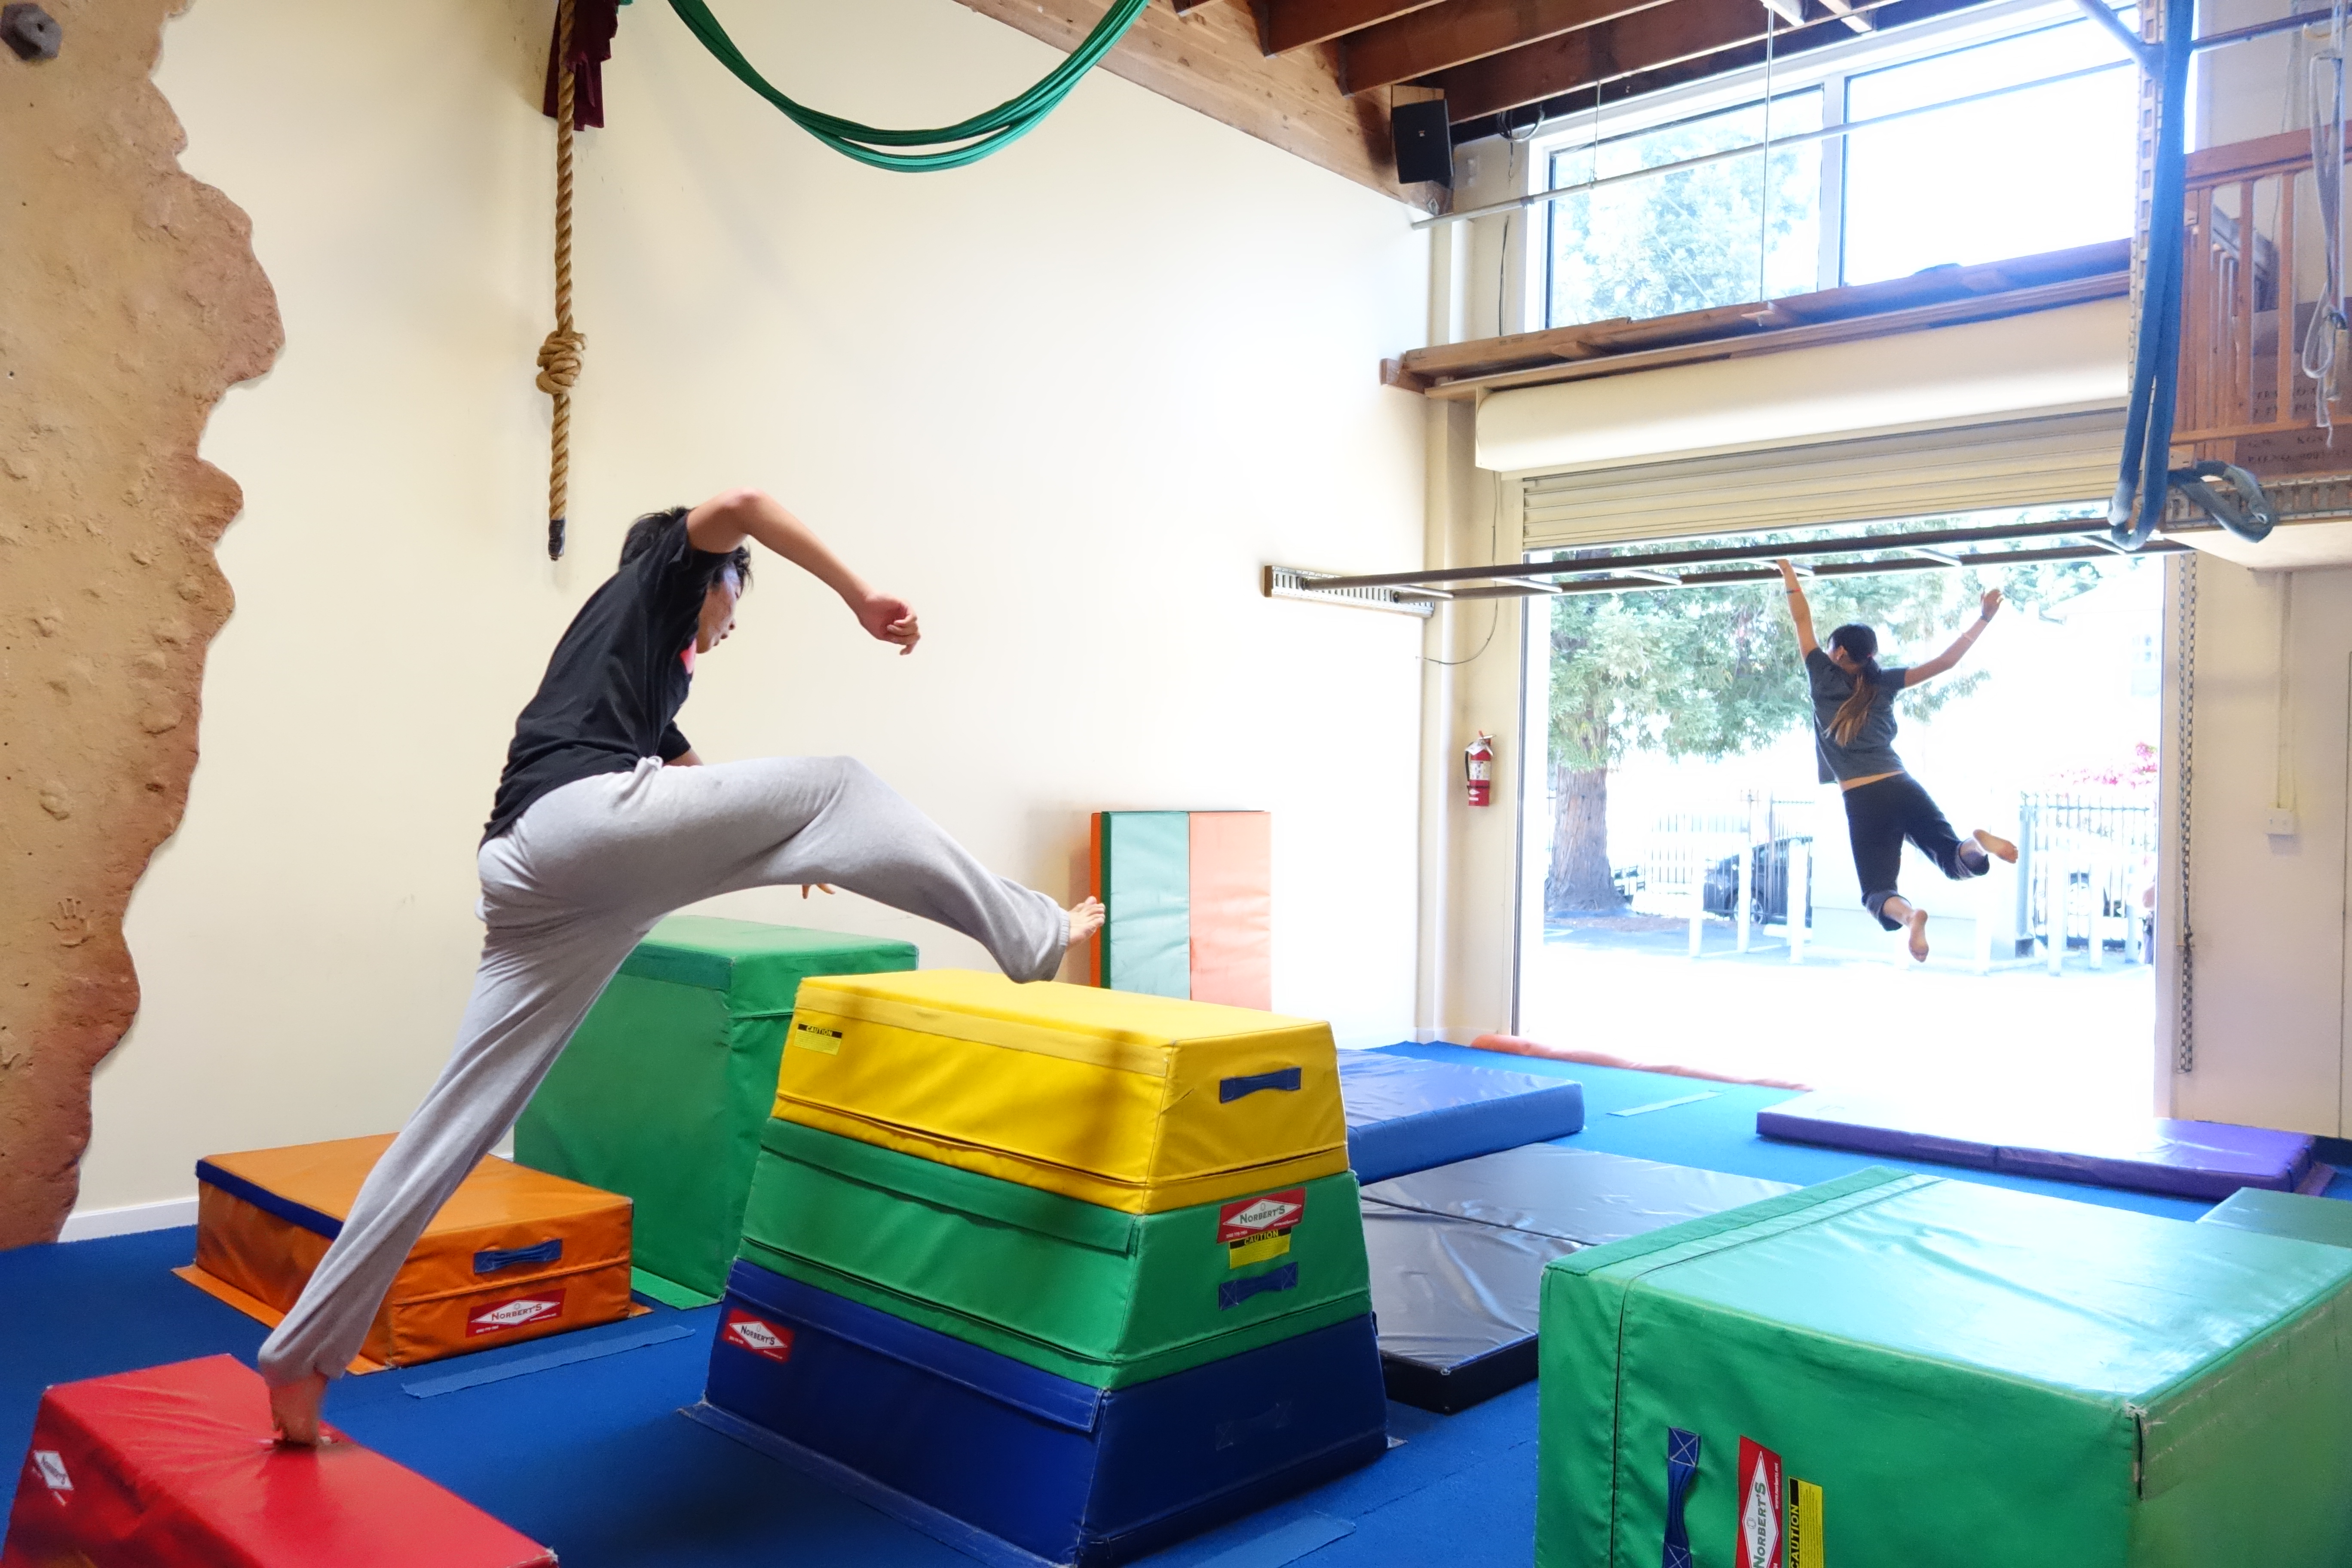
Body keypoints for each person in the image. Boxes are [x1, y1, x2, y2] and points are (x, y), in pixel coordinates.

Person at [262, 490, 1105, 1442]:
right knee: (842, 782)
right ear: (712, 576)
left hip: (527, 871)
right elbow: (744, 503)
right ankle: (1031, 931)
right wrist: (860, 597)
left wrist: (793, 844)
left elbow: (693, 778)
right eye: (737, 594)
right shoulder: (661, 574)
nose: (735, 619)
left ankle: (302, 1359)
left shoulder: (638, 664)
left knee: (461, 1117)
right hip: (582, 830)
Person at [1776, 559, 2016, 963]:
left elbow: (1802, 618)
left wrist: (1787, 570)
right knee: (1953, 858)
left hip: (1864, 799)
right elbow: (1946, 662)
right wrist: (1984, 618)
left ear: (1838, 652)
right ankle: (1976, 844)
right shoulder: (1884, 682)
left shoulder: (1821, 673)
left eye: (1831, 648)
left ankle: (1910, 918)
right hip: (1902, 784)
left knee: (1877, 890)